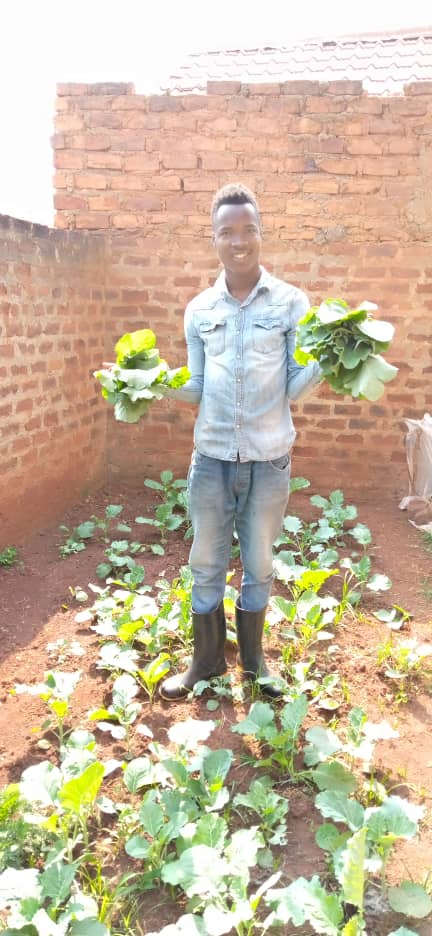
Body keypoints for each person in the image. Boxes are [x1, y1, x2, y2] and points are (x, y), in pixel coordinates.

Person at [160, 182, 322, 702]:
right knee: (206, 562)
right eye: (226, 231)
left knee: (260, 562)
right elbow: (196, 387)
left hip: (268, 460)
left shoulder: (292, 303)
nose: (238, 241)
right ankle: (205, 662)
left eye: (248, 229)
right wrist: (152, 383)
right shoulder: (199, 309)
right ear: (214, 238)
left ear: (261, 233)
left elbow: (294, 387)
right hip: (211, 460)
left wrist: (330, 360)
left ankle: (254, 664)